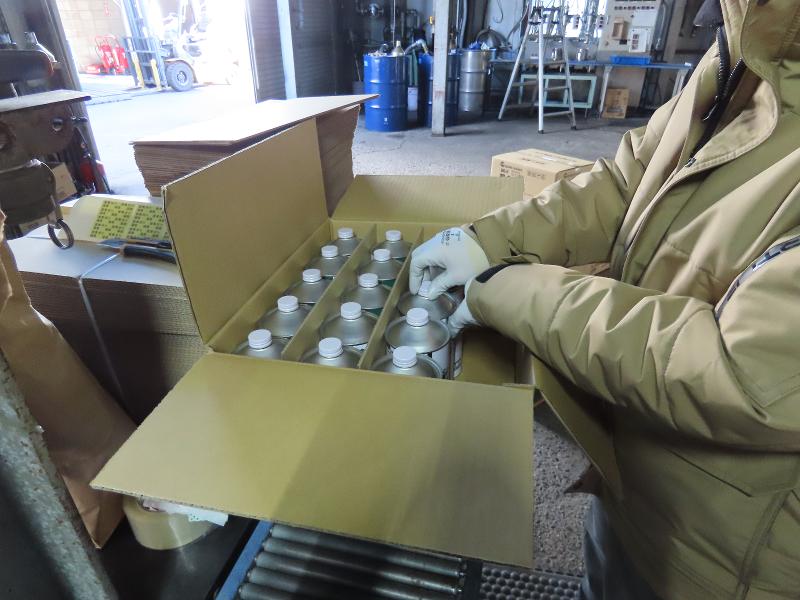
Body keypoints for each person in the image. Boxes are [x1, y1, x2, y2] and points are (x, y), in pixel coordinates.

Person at [409, 1, 800, 598]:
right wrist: (493, 239)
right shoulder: (746, 46)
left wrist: (507, 289)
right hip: (636, 460)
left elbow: (745, 375)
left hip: (721, 558)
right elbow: (630, 181)